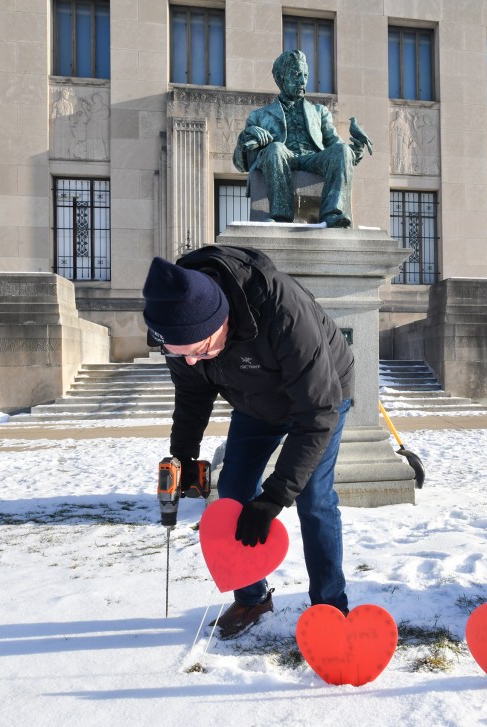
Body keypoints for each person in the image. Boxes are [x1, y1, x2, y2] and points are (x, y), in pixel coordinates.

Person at [141, 244, 355, 638]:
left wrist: (274, 497)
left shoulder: (282, 310)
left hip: (321, 396)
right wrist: (184, 454)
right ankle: (252, 596)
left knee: (314, 499)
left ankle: (330, 606)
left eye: (201, 350)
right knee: (234, 494)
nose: (192, 361)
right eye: (181, 354)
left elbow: (317, 413)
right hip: (255, 401)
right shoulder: (179, 329)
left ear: (221, 317)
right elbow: (192, 395)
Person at [232, 49, 367, 228]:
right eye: (296, 75)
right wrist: (245, 138)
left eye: (305, 75)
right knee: (276, 148)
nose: (303, 81)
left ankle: (332, 214)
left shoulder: (319, 112)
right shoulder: (259, 116)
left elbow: (335, 145)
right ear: (280, 78)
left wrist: (355, 151)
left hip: (313, 159)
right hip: (282, 158)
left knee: (341, 150)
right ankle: (281, 216)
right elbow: (241, 164)